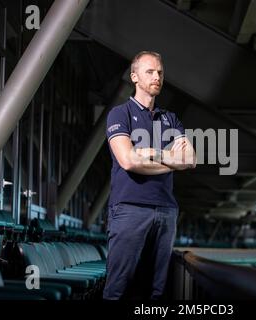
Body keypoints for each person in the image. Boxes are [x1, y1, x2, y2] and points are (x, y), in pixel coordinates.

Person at [103, 51, 196, 300]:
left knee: (155, 292)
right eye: (150, 72)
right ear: (134, 76)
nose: (157, 77)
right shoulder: (119, 114)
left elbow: (190, 159)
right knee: (118, 289)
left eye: (160, 72)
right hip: (129, 209)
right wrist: (169, 158)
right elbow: (129, 161)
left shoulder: (171, 119)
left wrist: (149, 152)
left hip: (166, 211)